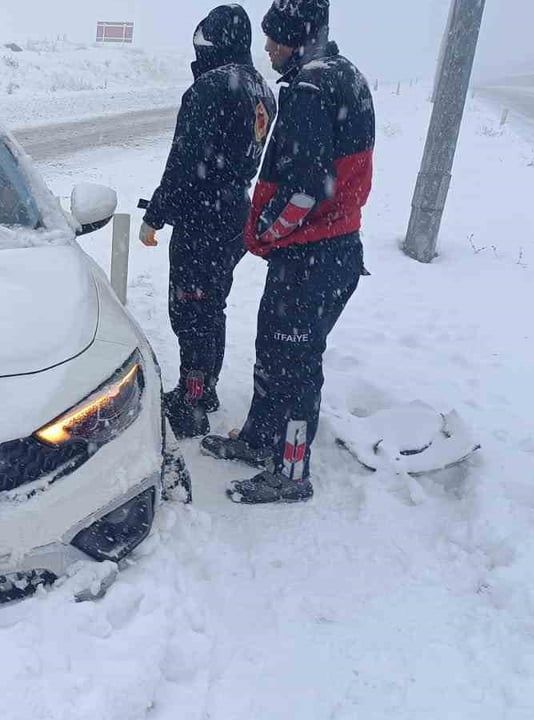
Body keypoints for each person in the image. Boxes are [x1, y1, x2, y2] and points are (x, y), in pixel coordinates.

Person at [201, 0, 376, 504]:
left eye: (275, 38)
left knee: (295, 366)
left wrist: (264, 232)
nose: (268, 48)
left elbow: (306, 188)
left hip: (311, 256)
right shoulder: (344, 74)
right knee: (276, 352)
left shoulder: (310, 88)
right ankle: (260, 439)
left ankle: (292, 471)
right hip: (330, 251)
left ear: (297, 38)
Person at [140, 4, 276, 439]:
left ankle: (192, 401)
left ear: (216, 43)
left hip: (202, 215)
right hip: (235, 211)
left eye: (203, 42)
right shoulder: (261, 89)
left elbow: (184, 160)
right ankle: (205, 388)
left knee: (191, 308)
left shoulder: (211, 88)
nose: (198, 50)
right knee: (211, 304)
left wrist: (156, 214)